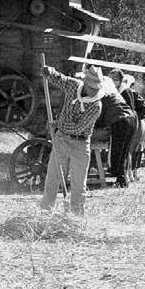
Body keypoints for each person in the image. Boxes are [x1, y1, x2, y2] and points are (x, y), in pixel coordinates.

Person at [40, 65, 104, 216]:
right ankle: (45, 213)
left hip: (80, 145)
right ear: (86, 84)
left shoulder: (96, 105)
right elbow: (59, 79)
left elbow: (78, 128)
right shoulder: (74, 85)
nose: (95, 90)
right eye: (92, 87)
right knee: (52, 178)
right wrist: (50, 72)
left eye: (97, 87)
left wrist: (57, 124)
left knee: (78, 184)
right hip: (61, 140)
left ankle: (76, 217)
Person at [98, 73, 137, 188]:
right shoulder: (115, 94)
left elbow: (100, 115)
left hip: (120, 122)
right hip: (130, 120)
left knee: (117, 151)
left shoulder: (105, 96)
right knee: (123, 152)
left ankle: (121, 178)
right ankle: (122, 179)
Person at [110, 70, 145, 181]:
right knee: (125, 151)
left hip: (130, 124)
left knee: (128, 150)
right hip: (126, 123)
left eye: (114, 79)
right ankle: (124, 175)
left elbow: (131, 110)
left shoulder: (126, 92)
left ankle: (125, 176)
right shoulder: (119, 91)